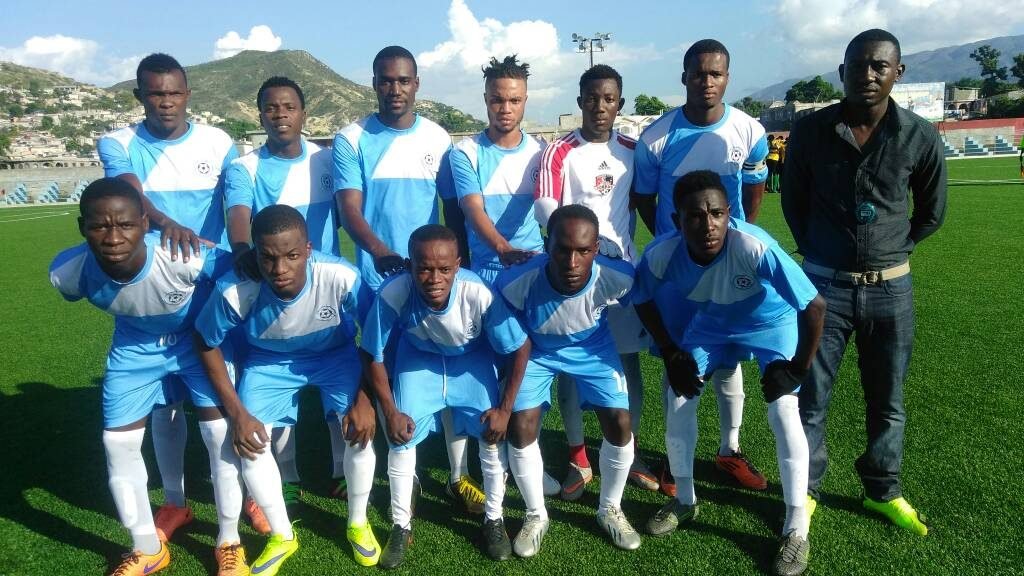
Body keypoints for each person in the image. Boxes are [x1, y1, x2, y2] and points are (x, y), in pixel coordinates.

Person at [782, 28, 946, 537]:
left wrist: (891, 250)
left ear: (899, 72)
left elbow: (931, 212)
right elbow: (794, 203)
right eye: (858, 65)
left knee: (887, 399)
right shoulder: (811, 131)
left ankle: (882, 489)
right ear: (842, 72)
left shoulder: (919, 134)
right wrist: (822, 252)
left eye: (880, 66)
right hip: (824, 290)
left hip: (891, 290)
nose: (868, 74)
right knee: (811, 396)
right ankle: (805, 490)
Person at [48, 178, 245, 576]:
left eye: (125, 224)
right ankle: (147, 547)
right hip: (134, 350)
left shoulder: (182, 256)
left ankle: (229, 540)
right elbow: (76, 288)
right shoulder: (67, 272)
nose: (113, 237)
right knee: (117, 445)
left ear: (144, 223)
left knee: (218, 435)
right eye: (99, 226)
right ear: (82, 227)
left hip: (197, 345)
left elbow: (237, 271)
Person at [634, 170, 825, 576]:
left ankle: (797, 527)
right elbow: (641, 297)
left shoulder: (753, 246)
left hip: (770, 325)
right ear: (676, 221)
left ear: (729, 213)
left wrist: (797, 369)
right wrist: (669, 351)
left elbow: (814, 306)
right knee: (678, 398)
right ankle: (684, 500)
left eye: (717, 213)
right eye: (695, 216)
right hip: (712, 326)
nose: (708, 225)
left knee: (783, 411)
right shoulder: (662, 253)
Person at [96, 53, 240, 541]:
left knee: (221, 412)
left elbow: (236, 203)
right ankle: (175, 503)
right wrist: (166, 224)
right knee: (165, 406)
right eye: (156, 93)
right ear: (139, 96)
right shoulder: (117, 142)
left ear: (188, 95)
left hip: (207, 296)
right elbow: (130, 194)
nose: (166, 102)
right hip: (149, 301)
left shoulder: (218, 142)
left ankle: (242, 503)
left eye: (174, 92)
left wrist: (240, 254)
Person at [334, 45, 483, 512]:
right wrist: (381, 252)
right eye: (386, 80)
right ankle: (406, 474)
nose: (394, 89)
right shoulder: (351, 138)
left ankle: (458, 475)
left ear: (416, 84)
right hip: (377, 279)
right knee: (385, 371)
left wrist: (459, 265)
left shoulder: (437, 137)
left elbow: (451, 211)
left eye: (403, 80)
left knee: (445, 364)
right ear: (374, 84)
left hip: (430, 279)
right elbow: (350, 210)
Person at [193, 205, 378, 572]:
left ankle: (357, 522)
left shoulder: (341, 276)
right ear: (255, 254)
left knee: (360, 432)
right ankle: (282, 535)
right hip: (269, 362)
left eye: (292, 256)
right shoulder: (237, 288)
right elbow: (205, 340)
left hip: (334, 355)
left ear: (308, 249)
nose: (279, 269)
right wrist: (238, 414)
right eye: (268, 257)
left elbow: (376, 336)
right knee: (250, 443)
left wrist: (364, 398)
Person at [633, 39, 771, 494]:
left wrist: (741, 236)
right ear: (684, 77)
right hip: (679, 272)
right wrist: (673, 244)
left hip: (730, 266)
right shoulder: (656, 137)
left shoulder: (750, 130)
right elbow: (644, 198)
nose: (706, 81)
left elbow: (754, 189)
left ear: (727, 78)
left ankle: (730, 450)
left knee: (730, 363)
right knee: (678, 362)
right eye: (698, 73)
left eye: (715, 73)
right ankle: (675, 461)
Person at [361, 225, 532, 567]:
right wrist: (390, 411)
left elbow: (520, 346)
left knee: (490, 433)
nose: (434, 278)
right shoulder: (394, 291)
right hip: (419, 360)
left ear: (457, 265)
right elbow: (370, 352)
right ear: (410, 266)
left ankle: (494, 519)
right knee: (400, 437)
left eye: (443, 269)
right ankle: (400, 525)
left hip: (470, 360)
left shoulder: (477, 291)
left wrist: (504, 408)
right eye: (424, 268)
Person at [224, 76, 347, 518]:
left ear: (303, 113)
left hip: (325, 291)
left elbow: (346, 214)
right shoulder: (245, 168)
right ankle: (288, 477)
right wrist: (245, 255)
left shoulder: (327, 160)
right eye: (271, 108)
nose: (280, 115)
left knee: (340, 387)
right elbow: (239, 220)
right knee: (277, 389)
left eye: (288, 107)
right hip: (274, 290)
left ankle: (341, 470)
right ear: (260, 116)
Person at [534, 64, 658, 499]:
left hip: (621, 279)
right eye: (592, 98)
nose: (600, 107)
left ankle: (629, 450)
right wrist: (584, 242)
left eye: (608, 99)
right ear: (580, 101)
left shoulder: (633, 151)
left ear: (619, 104)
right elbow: (545, 206)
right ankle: (578, 456)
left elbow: (646, 201)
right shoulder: (559, 151)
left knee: (627, 366)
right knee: (572, 366)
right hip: (573, 276)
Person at [495, 204, 642, 554]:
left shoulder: (618, 275)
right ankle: (535, 514)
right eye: (562, 249)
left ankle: (610, 508)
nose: (572, 262)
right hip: (537, 351)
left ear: (597, 249)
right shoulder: (515, 281)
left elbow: (645, 298)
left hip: (593, 348)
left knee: (620, 422)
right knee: (521, 425)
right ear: (547, 244)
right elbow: (507, 329)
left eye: (583, 251)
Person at [445, 55, 544, 285]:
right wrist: (504, 249)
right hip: (487, 268)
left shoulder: (541, 151)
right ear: (486, 99)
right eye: (497, 100)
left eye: (515, 100)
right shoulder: (465, 152)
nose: (506, 109)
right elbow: (472, 208)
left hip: (535, 264)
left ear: (525, 100)